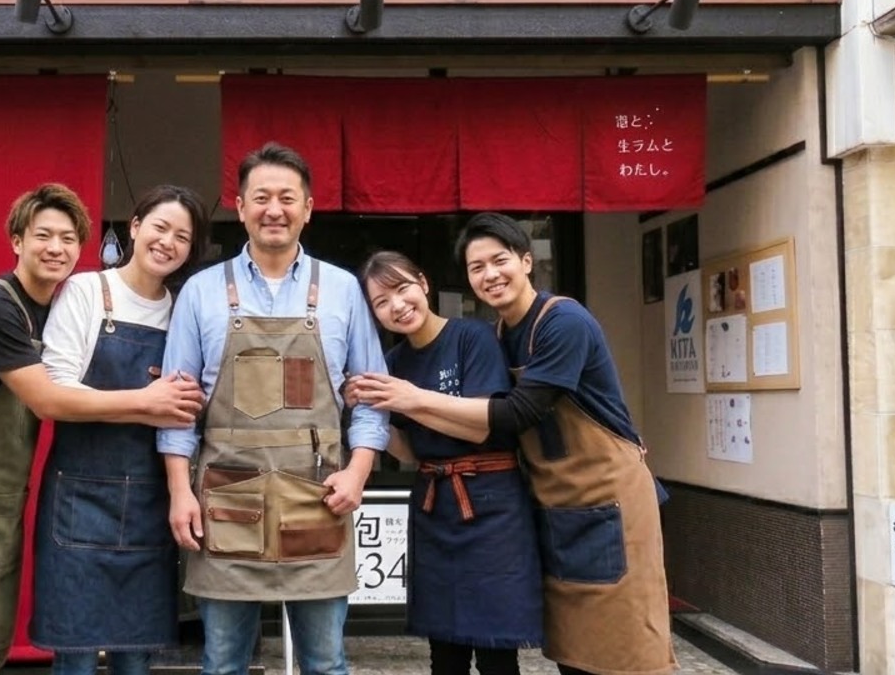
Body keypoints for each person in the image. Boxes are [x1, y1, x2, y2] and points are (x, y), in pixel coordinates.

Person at [0, 183, 206, 675]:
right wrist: (148, 402)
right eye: (43, 236)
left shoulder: (171, 308)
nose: (56, 249)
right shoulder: (0, 307)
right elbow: (50, 397)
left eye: (67, 239)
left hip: (7, 498)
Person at [350, 213, 675, 675]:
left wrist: (412, 398)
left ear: (527, 261)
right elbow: (414, 445)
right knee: (573, 647)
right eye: (476, 268)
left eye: (498, 261)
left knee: (626, 647)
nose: (489, 275)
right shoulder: (501, 335)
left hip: (608, 498)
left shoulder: (562, 321)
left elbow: (513, 415)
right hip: (549, 501)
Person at [158, 142, 390, 675]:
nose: (274, 209)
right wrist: (178, 491)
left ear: (308, 208)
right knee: (222, 664)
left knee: (326, 663)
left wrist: (357, 473)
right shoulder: (200, 291)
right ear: (239, 207)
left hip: (318, 498)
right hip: (226, 500)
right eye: (260, 197)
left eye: (288, 197)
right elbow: (177, 410)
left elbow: (372, 398)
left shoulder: (342, 290)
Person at [30, 185, 210, 675]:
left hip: (152, 499)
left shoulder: (185, 310)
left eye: (182, 237)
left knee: (137, 656)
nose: (167, 242)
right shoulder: (88, 291)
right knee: (77, 658)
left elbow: (190, 407)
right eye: (159, 227)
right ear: (134, 226)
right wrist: (146, 404)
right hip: (79, 498)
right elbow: (57, 395)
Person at [348, 251, 542, 675]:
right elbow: (410, 452)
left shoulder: (472, 337)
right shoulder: (394, 365)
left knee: (495, 650)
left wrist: (408, 399)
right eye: (381, 302)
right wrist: (366, 408)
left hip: (493, 505)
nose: (397, 305)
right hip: (434, 504)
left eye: (402, 289)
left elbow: (480, 427)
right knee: (444, 650)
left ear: (423, 283)